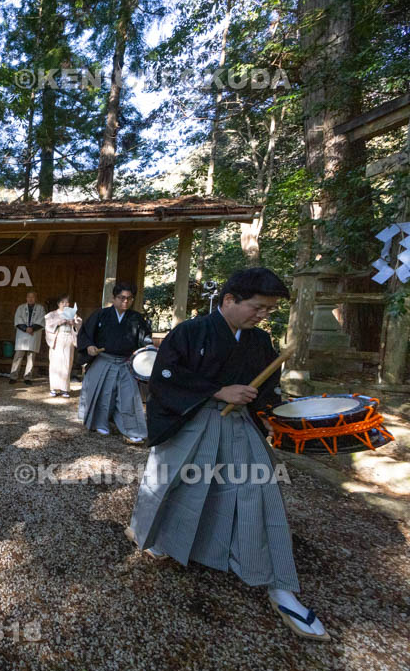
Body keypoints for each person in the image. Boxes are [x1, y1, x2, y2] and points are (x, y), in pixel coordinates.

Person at [127, 267, 328, 641]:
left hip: (238, 424)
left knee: (258, 491)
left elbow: (266, 388)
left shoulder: (258, 341)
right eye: (258, 307)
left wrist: (267, 414)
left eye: (269, 310)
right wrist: (217, 391)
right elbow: (164, 377)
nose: (262, 315)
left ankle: (278, 584)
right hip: (191, 419)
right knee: (173, 484)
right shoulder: (191, 331)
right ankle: (159, 539)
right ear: (230, 299)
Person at [77, 281, 152, 443]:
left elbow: (145, 339)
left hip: (126, 362)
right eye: (121, 297)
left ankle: (132, 429)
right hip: (104, 359)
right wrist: (89, 346)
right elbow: (85, 333)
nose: (125, 301)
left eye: (129, 298)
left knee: (129, 397)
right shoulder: (101, 314)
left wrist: (148, 347)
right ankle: (100, 423)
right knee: (103, 394)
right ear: (114, 298)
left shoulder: (136, 318)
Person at [44, 295, 82, 397]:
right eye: (62, 302)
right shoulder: (52, 314)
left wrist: (74, 323)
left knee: (67, 363)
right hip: (57, 339)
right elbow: (48, 326)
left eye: (67, 302)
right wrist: (59, 322)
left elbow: (79, 324)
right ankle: (54, 388)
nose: (65, 304)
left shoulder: (73, 314)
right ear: (58, 304)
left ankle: (64, 389)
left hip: (68, 338)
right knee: (55, 364)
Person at [9, 291, 44, 385]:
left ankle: (28, 377)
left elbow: (41, 320)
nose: (30, 299)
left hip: (34, 334)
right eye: (29, 297)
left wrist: (32, 328)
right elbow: (18, 319)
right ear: (26, 298)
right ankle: (13, 376)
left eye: (33, 297)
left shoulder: (40, 308)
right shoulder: (20, 308)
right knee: (18, 356)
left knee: (31, 357)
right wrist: (26, 329)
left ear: (36, 298)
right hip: (22, 334)